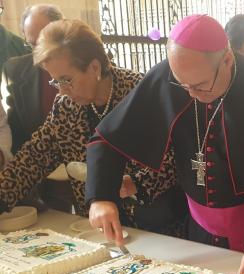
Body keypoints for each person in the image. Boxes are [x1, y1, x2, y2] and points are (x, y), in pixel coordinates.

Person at [86, 15, 244, 274]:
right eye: (182, 85)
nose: (190, 94)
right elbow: (109, 136)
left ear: (227, 61)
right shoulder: (172, 77)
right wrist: (101, 196)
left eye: (199, 86)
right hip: (198, 234)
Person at [0, 19, 182, 233]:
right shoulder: (65, 108)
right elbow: (32, 159)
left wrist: (137, 183)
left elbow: (177, 157)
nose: (62, 91)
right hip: (99, 232)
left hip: (158, 228)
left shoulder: (139, 93)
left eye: (66, 80)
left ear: (94, 67)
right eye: (55, 82)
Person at [2, 5, 71, 212]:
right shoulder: (16, 69)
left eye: (43, 42)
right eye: (32, 44)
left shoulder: (80, 73)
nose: (39, 53)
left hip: (89, 174)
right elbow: (22, 135)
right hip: (44, 177)